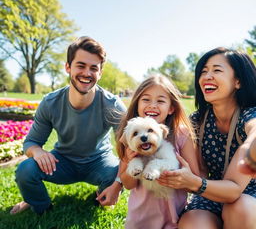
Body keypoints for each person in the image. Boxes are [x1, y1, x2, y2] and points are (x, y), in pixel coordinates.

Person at [10, 36, 126, 215]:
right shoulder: (50, 103)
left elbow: (130, 150)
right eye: (81, 65)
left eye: (93, 68)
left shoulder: (112, 105)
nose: (87, 73)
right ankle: (40, 206)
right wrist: (38, 152)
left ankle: (100, 195)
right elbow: (31, 142)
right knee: (26, 170)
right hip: (62, 161)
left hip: (99, 162)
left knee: (115, 173)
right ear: (68, 67)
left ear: (100, 73)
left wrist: (118, 184)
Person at [156, 48, 256, 229]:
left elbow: (234, 190)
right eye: (203, 71)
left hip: (250, 195)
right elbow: (198, 172)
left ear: (238, 81)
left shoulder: (249, 115)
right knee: (193, 223)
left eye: (217, 70)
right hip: (210, 190)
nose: (206, 76)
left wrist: (252, 141)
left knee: (241, 208)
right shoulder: (198, 120)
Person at [116, 74, 200, 229]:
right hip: (140, 216)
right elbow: (128, 184)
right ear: (137, 105)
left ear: (171, 108)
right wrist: (130, 163)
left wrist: (182, 177)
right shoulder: (130, 139)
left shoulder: (182, 134)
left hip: (174, 215)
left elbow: (196, 179)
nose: (152, 105)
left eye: (160, 100)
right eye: (146, 99)